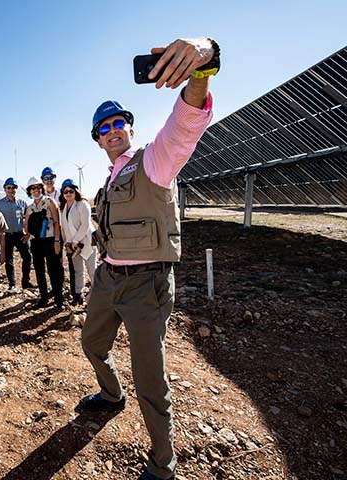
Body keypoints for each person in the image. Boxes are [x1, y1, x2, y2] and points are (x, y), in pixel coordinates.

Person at [77, 38, 219, 480]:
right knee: (91, 344)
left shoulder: (155, 162)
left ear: (131, 130)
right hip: (108, 279)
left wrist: (202, 65)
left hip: (146, 286)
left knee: (151, 381)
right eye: (104, 127)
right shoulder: (107, 181)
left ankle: (164, 464)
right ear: (98, 140)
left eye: (119, 122)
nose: (113, 130)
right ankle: (111, 394)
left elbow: (184, 126)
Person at [24, 176, 64, 308]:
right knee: (39, 270)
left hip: (51, 239)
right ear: (29, 191)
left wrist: (57, 241)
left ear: (41, 188)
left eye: (37, 187)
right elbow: (27, 227)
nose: (35, 190)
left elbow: (57, 222)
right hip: (36, 242)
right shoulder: (29, 208)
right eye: (32, 188)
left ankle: (58, 298)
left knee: (54, 269)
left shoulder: (50, 202)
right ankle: (43, 297)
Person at [58, 178, 97, 306]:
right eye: (65, 191)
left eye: (71, 191)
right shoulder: (63, 208)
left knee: (92, 270)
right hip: (73, 246)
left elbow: (85, 224)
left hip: (87, 242)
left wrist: (75, 241)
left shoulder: (82, 204)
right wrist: (67, 244)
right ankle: (78, 295)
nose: (68, 194)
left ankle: (98, 297)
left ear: (76, 191)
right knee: (78, 270)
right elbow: (64, 228)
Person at [0, 177, 36, 294]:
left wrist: (28, 233)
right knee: (9, 260)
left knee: (27, 257)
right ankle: (12, 285)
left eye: (13, 188)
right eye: (9, 188)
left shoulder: (22, 203)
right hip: (6, 236)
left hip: (20, 235)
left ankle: (26, 282)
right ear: (5, 189)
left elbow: (29, 219)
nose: (11, 190)